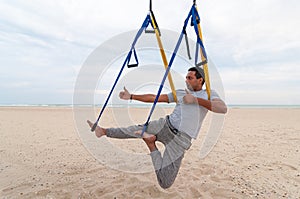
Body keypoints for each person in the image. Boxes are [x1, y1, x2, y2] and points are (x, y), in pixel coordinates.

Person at [87, 66, 227, 189]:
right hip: (165, 125)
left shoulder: (209, 94)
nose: (186, 80)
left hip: (181, 140)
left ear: (200, 80)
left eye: (190, 78)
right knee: (135, 130)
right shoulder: (180, 92)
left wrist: (196, 100)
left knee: (165, 182)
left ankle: (151, 144)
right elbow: (155, 97)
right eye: (186, 77)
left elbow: (222, 108)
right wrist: (132, 96)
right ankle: (103, 131)